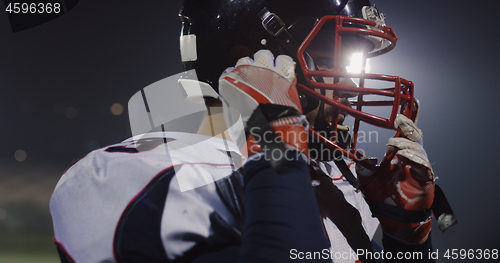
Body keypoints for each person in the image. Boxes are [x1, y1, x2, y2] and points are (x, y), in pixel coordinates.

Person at [50, 0, 456, 262]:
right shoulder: (128, 177)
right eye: (331, 57)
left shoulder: (333, 179)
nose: (350, 87)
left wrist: (407, 243)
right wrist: (277, 149)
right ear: (249, 54)